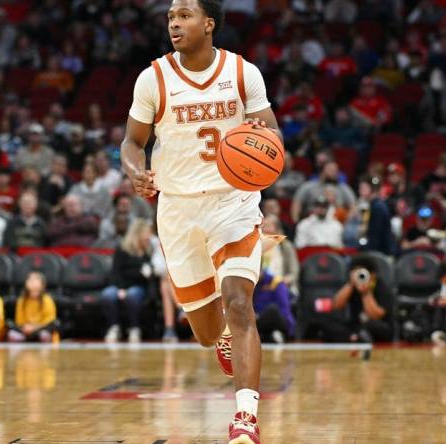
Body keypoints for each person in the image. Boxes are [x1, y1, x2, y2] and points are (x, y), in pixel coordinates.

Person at [120, 1, 279, 438]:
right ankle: (222, 338)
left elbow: (273, 132)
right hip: (178, 209)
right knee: (208, 332)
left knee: (240, 302)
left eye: (185, 14)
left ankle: (245, 417)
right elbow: (132, 143)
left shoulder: (243, 73)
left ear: (209, 23)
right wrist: (136, 172)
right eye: (171, 15)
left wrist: (263, 141)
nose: (175, 22)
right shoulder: (152, 78)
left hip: (234, 202)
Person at [305, 256, 394, 343]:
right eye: (356, 272)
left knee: (374, 326)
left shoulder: (381, 286)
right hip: (355, 326)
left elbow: (377, 316)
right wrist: (350, 284)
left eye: (363, 273)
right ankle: (355, 337)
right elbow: (336, 305)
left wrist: (366, 293)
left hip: (375, 326)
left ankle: (356, 337)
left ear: (373, 275)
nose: (360, 276)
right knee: (327, 322)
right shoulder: (351, 285)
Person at [102, 219, 155, 344]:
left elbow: (151, 273)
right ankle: (114, 327)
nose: (149, 237)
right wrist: (121, 289)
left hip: (139, 286)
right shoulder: (122, 249)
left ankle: (134, 328)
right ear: (138, 234)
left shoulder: (148, 251)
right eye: (147, 234)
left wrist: (150, 272)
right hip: (120, 286)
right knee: (107, 294)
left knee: (133, 295)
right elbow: (115, 272)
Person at [255, 216, 297, 342]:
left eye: (269, 225)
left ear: (277, 228)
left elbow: (294, 272)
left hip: (280, 283)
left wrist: (283, 281)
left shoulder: (285, 246)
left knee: (275, 308)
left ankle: (282, 330)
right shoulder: (255, 245)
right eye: (264, 225)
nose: (265, 228)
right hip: (260, 283)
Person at [8, 271, 57, 342]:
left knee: (44, 335)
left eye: (35, 279)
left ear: (42, 285)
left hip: (42, 329)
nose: (32, 281)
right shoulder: (21, 300)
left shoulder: (47, 300)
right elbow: (19, 321)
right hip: (26, 331)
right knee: (12, 335)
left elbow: (49, 322)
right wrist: (25, 327)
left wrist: (34, 327)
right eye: (29, 279)